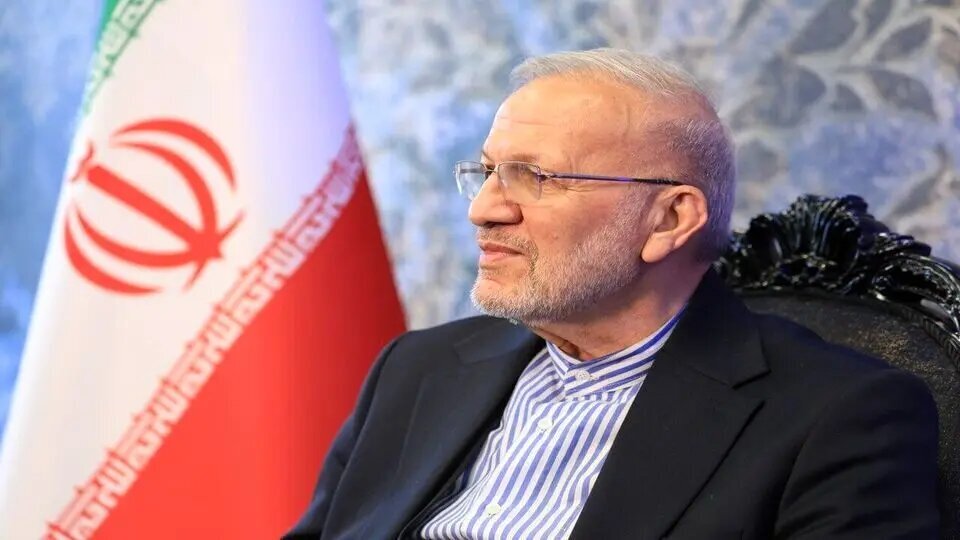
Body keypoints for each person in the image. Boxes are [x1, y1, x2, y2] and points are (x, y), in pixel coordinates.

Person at [284, 48, 939, 539]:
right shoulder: (417, 369)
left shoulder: (836, 416)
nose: (484, 210)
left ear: (669, 219)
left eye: (534, 177)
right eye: (486, 173)